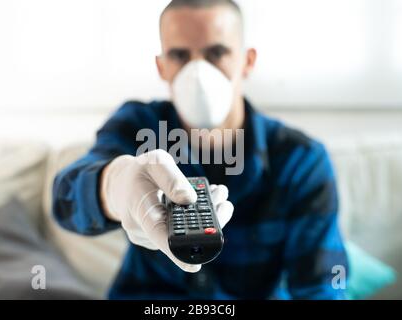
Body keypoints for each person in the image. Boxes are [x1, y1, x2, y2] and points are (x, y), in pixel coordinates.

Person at [52, 0, 348, 299]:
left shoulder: (300, 159)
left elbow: (321, 284)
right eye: (180, 56)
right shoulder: (139, 125)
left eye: (216, 53)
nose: (198, 72)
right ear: (162, 67)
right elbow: (65, 200)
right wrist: (114, 185)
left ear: (247, 61)